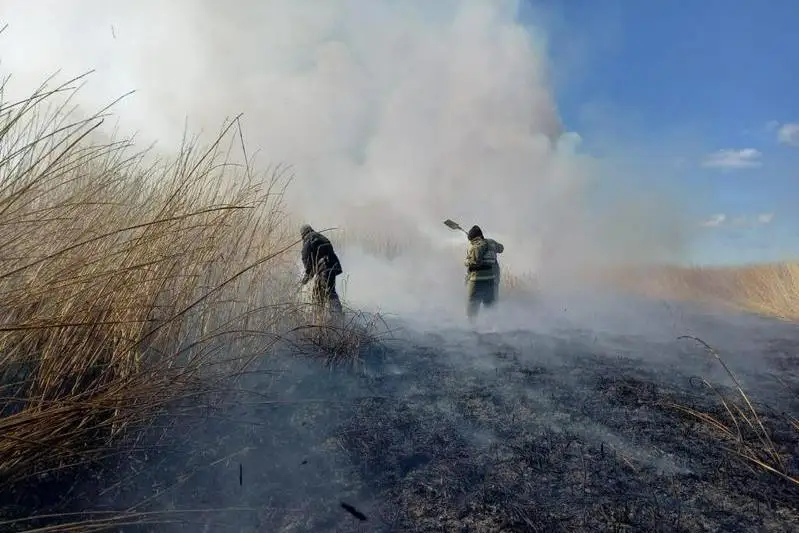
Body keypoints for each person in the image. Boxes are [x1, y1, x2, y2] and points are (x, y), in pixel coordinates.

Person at [299, 224, 343, 318]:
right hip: (331, 266)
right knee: (322, 291)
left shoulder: (308, 240)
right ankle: (323, 317)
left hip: (324, 268)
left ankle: (335, 317)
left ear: (303, 234)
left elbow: (306, 258)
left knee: (327, 292)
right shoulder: (320, 237)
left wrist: (307, 276)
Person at [464, 224, 504, 321]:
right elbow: (501, 248)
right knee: (490, 308)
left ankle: (472, 330)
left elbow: (473, 263)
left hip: (476, 281)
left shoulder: (474, 246)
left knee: (472, 309)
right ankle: (490, 329)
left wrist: (466, 261)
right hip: (490, 281)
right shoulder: (491, 243)